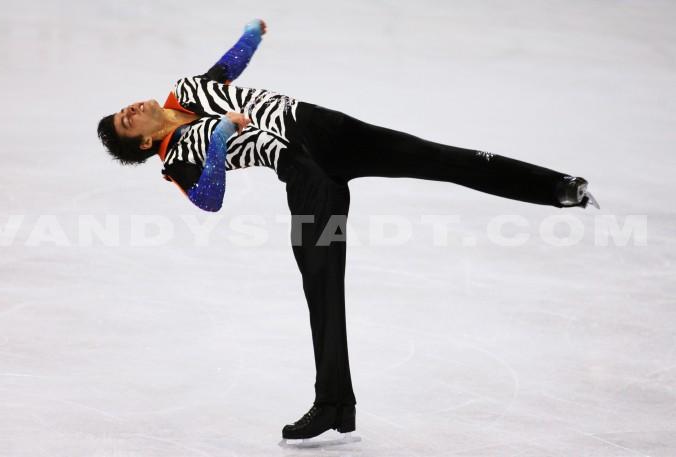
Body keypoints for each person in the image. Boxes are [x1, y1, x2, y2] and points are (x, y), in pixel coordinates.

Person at [97, 18, 599, 442]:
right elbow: (210, 199)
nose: (132, 110)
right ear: (142, 145)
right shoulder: (176, 159)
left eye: (125, 108)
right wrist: (223, 135)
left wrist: (253, 32)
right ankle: (334, 404)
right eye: (127, 122)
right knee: (322, 289)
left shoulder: (187, 88)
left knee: (439, 157)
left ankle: (557, 187)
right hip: (308, 179)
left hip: (329, 132)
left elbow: (231, 64)